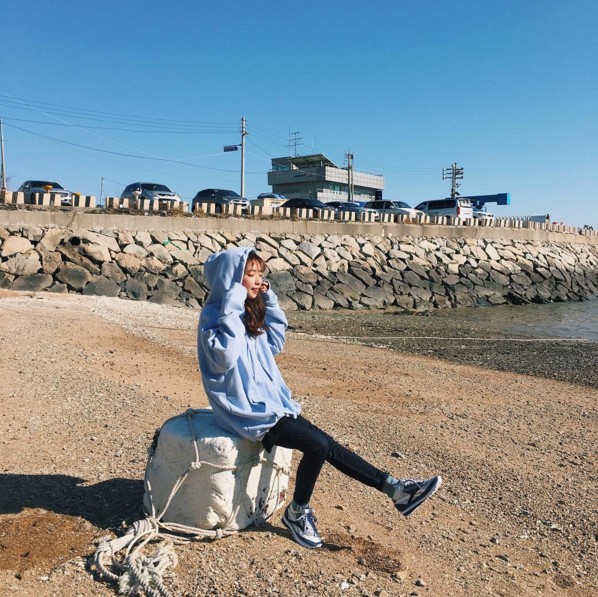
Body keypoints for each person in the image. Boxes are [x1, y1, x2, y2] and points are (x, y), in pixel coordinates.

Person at [197, 247, 441, 549]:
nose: (259, 281)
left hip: (273, 404)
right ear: (230, 280)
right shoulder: (215, 316)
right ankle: (297, 513)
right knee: (317, 446)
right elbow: (224, 357)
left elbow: (275, 343)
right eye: (250, 275)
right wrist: (233, 302)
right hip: (246, 412)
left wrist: (269, 302)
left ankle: (397, 490)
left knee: (329, 445)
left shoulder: (247, 311)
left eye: (261, 274)